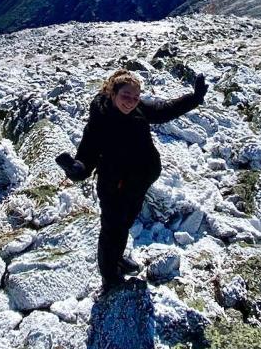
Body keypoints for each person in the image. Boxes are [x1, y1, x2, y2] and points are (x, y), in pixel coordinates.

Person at [56, 69, 208, 289]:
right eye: (126, 95)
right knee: (112, 230)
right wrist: (74, 169)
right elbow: (86, 158)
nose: (131, 101)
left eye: (135, 97)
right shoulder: (101, 121)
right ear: (112, 93)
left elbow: (165, 109)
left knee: (124, 225)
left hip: (138, 183)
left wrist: (194, 98)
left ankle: (117, 259)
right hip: (114, 187)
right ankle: (109, 276)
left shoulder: (139, 109)